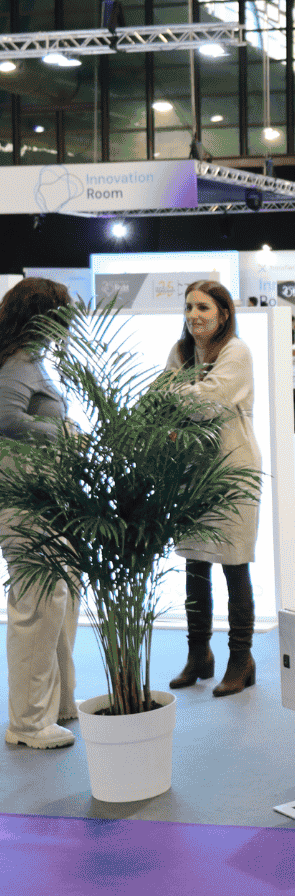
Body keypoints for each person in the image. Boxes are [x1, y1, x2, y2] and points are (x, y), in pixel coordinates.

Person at [165, 281, 263, 698]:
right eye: (188, 307)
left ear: (223, 313)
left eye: (203, 307)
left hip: (231, 469)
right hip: (191, 471)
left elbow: (208, 403)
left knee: (234, 564)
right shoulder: (181, 351)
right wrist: (179, 394)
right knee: (194, 563)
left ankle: (241, 660)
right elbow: (161, 395)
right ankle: (198, 655)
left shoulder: (236, 351)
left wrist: (176, 394)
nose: (194, 315)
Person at [0, 278, 79, 749]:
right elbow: (5, 421)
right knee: (38, 604)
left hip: (43, 497)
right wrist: (60, 433)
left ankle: (58, 704)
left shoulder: (28, 361)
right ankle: (28, 724)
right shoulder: (15, 365)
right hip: (23, 497)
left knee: (58, 599)